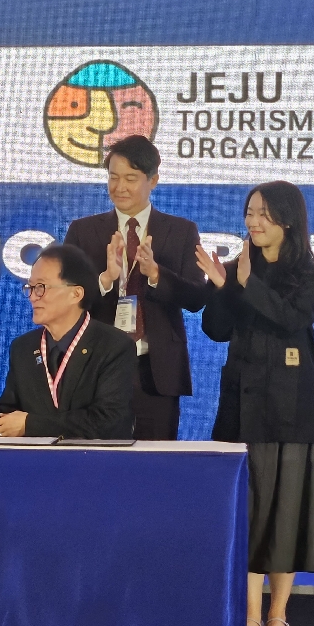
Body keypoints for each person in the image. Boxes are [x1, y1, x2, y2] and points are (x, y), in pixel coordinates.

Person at [195, 181, 314, 626]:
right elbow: (216, 329)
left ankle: (278, 616)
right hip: (241, 405)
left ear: (287, 220)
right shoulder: (239, 268)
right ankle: (251, 614)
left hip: (290, 410)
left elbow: (289, 319)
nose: (253, 222)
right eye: (250, 212)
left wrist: (243, 283)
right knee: (247, 513)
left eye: (263, 214)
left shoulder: (313, 276)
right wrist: (222, 288)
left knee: (285, 513)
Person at [65, 135, 208, 440]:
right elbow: (64, 299)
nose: (120, 187)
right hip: (96, 368)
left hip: (155, 373)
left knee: (155, 463)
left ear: (153, 180)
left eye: (130, 178)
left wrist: (156, 274)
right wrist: (105, 279)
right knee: (95, 461)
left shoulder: (181, 231)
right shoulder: (83, 231)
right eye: (113, 177)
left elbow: (197, 297)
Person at [0, 244, 136, 439]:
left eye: (41, 287)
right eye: (30, 287)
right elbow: (9, 418)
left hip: (96, 466)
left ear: (76, 294)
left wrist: (31, 425)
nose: (32, 296)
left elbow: (108, 421)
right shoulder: (23, 348)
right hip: (35, 466)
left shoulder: (114, 346)